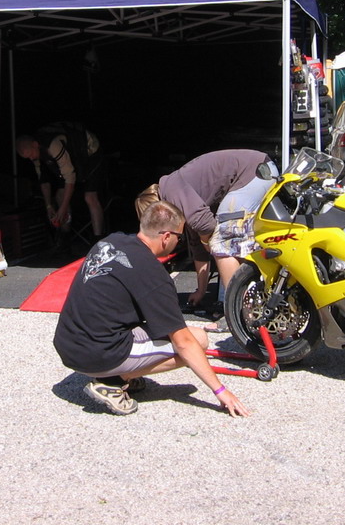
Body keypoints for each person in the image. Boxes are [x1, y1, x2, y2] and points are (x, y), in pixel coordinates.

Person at [53, 200, 250, 417]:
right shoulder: (154, 275)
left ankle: (118, 371)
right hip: (96, 354)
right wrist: (220, 391)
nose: (179, 242)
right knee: (199, 339)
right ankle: (113, 380)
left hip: (67, 344)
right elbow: (183, 342)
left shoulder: (111, 241)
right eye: (180, 237)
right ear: (166, 237)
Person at [135, 149, 276, 317]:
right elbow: (198, 249)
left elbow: (206, 225)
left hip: (253, 172)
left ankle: (244, 314)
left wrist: (206, 241)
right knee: (227, 241)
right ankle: (250, 301)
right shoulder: (182, 202)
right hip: (259, 170)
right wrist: (201, 291)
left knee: (223, 242)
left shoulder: (172, 190)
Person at [17, 121, 107, 242]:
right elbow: (43, 180)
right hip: (73, 159)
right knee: (60, 195)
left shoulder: (52, 145)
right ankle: (64, 239)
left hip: (90, 152)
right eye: (28, 158)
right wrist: (48, 206)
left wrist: (63, 208)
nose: (31, 158)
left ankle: (98, 240)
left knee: (90, 197)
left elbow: (70, 177)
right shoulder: (36, 154)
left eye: (31, 155)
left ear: (35, 144)